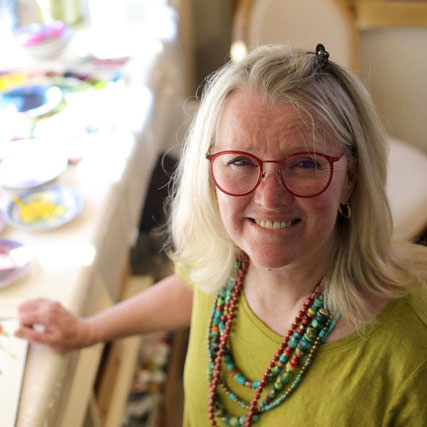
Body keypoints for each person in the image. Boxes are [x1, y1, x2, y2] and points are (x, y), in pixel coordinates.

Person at [16, 44, 427, 426]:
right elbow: (196, 289)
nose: (269, 198)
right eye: (241, 162)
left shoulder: (409, 356)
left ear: (351, 178)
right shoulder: (228, 261)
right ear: (208, 171)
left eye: (304, 164)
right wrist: (88, 330)